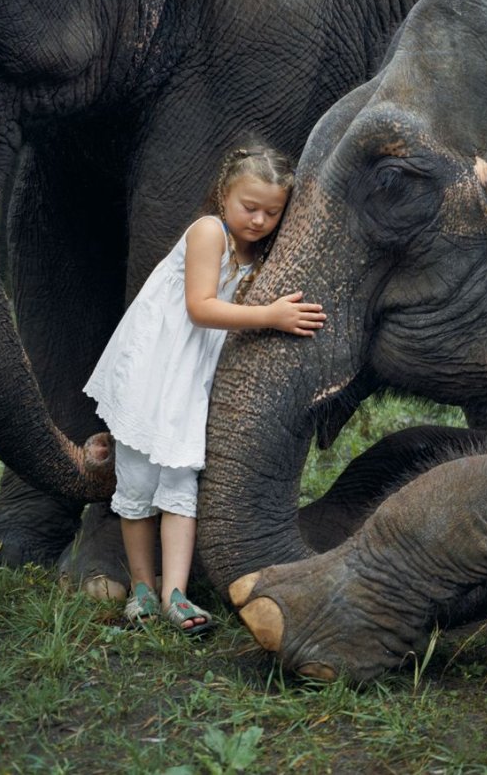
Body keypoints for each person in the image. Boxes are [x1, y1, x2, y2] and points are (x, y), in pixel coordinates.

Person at [84, 143, 326, 634]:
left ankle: (177, 594)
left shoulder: (253, 251)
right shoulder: (207, 232)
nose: (259, 220)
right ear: (224, 196)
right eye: (249, 207)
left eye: (271, 212)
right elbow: (200, 307)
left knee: (179, 485)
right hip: (154, 371)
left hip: (189, 379)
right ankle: (142, 589)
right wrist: (271, 317)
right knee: (136, 483)